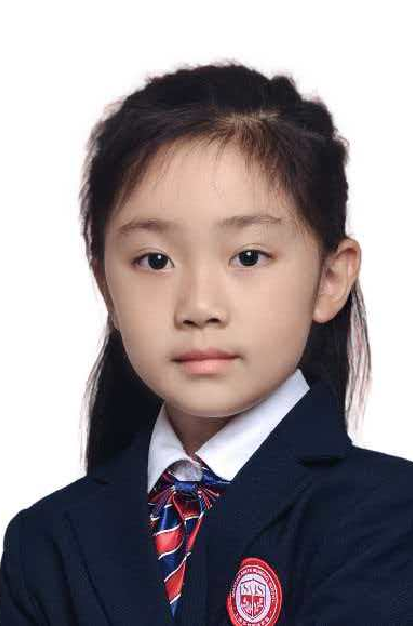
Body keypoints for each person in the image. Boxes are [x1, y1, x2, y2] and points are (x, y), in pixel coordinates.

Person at [1, 61, 413, 626]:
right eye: (155, 260)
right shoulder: (45, 543)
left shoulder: (390, 515)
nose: (198, 306)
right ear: (106, 287)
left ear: (330, 278)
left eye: (248, 256)